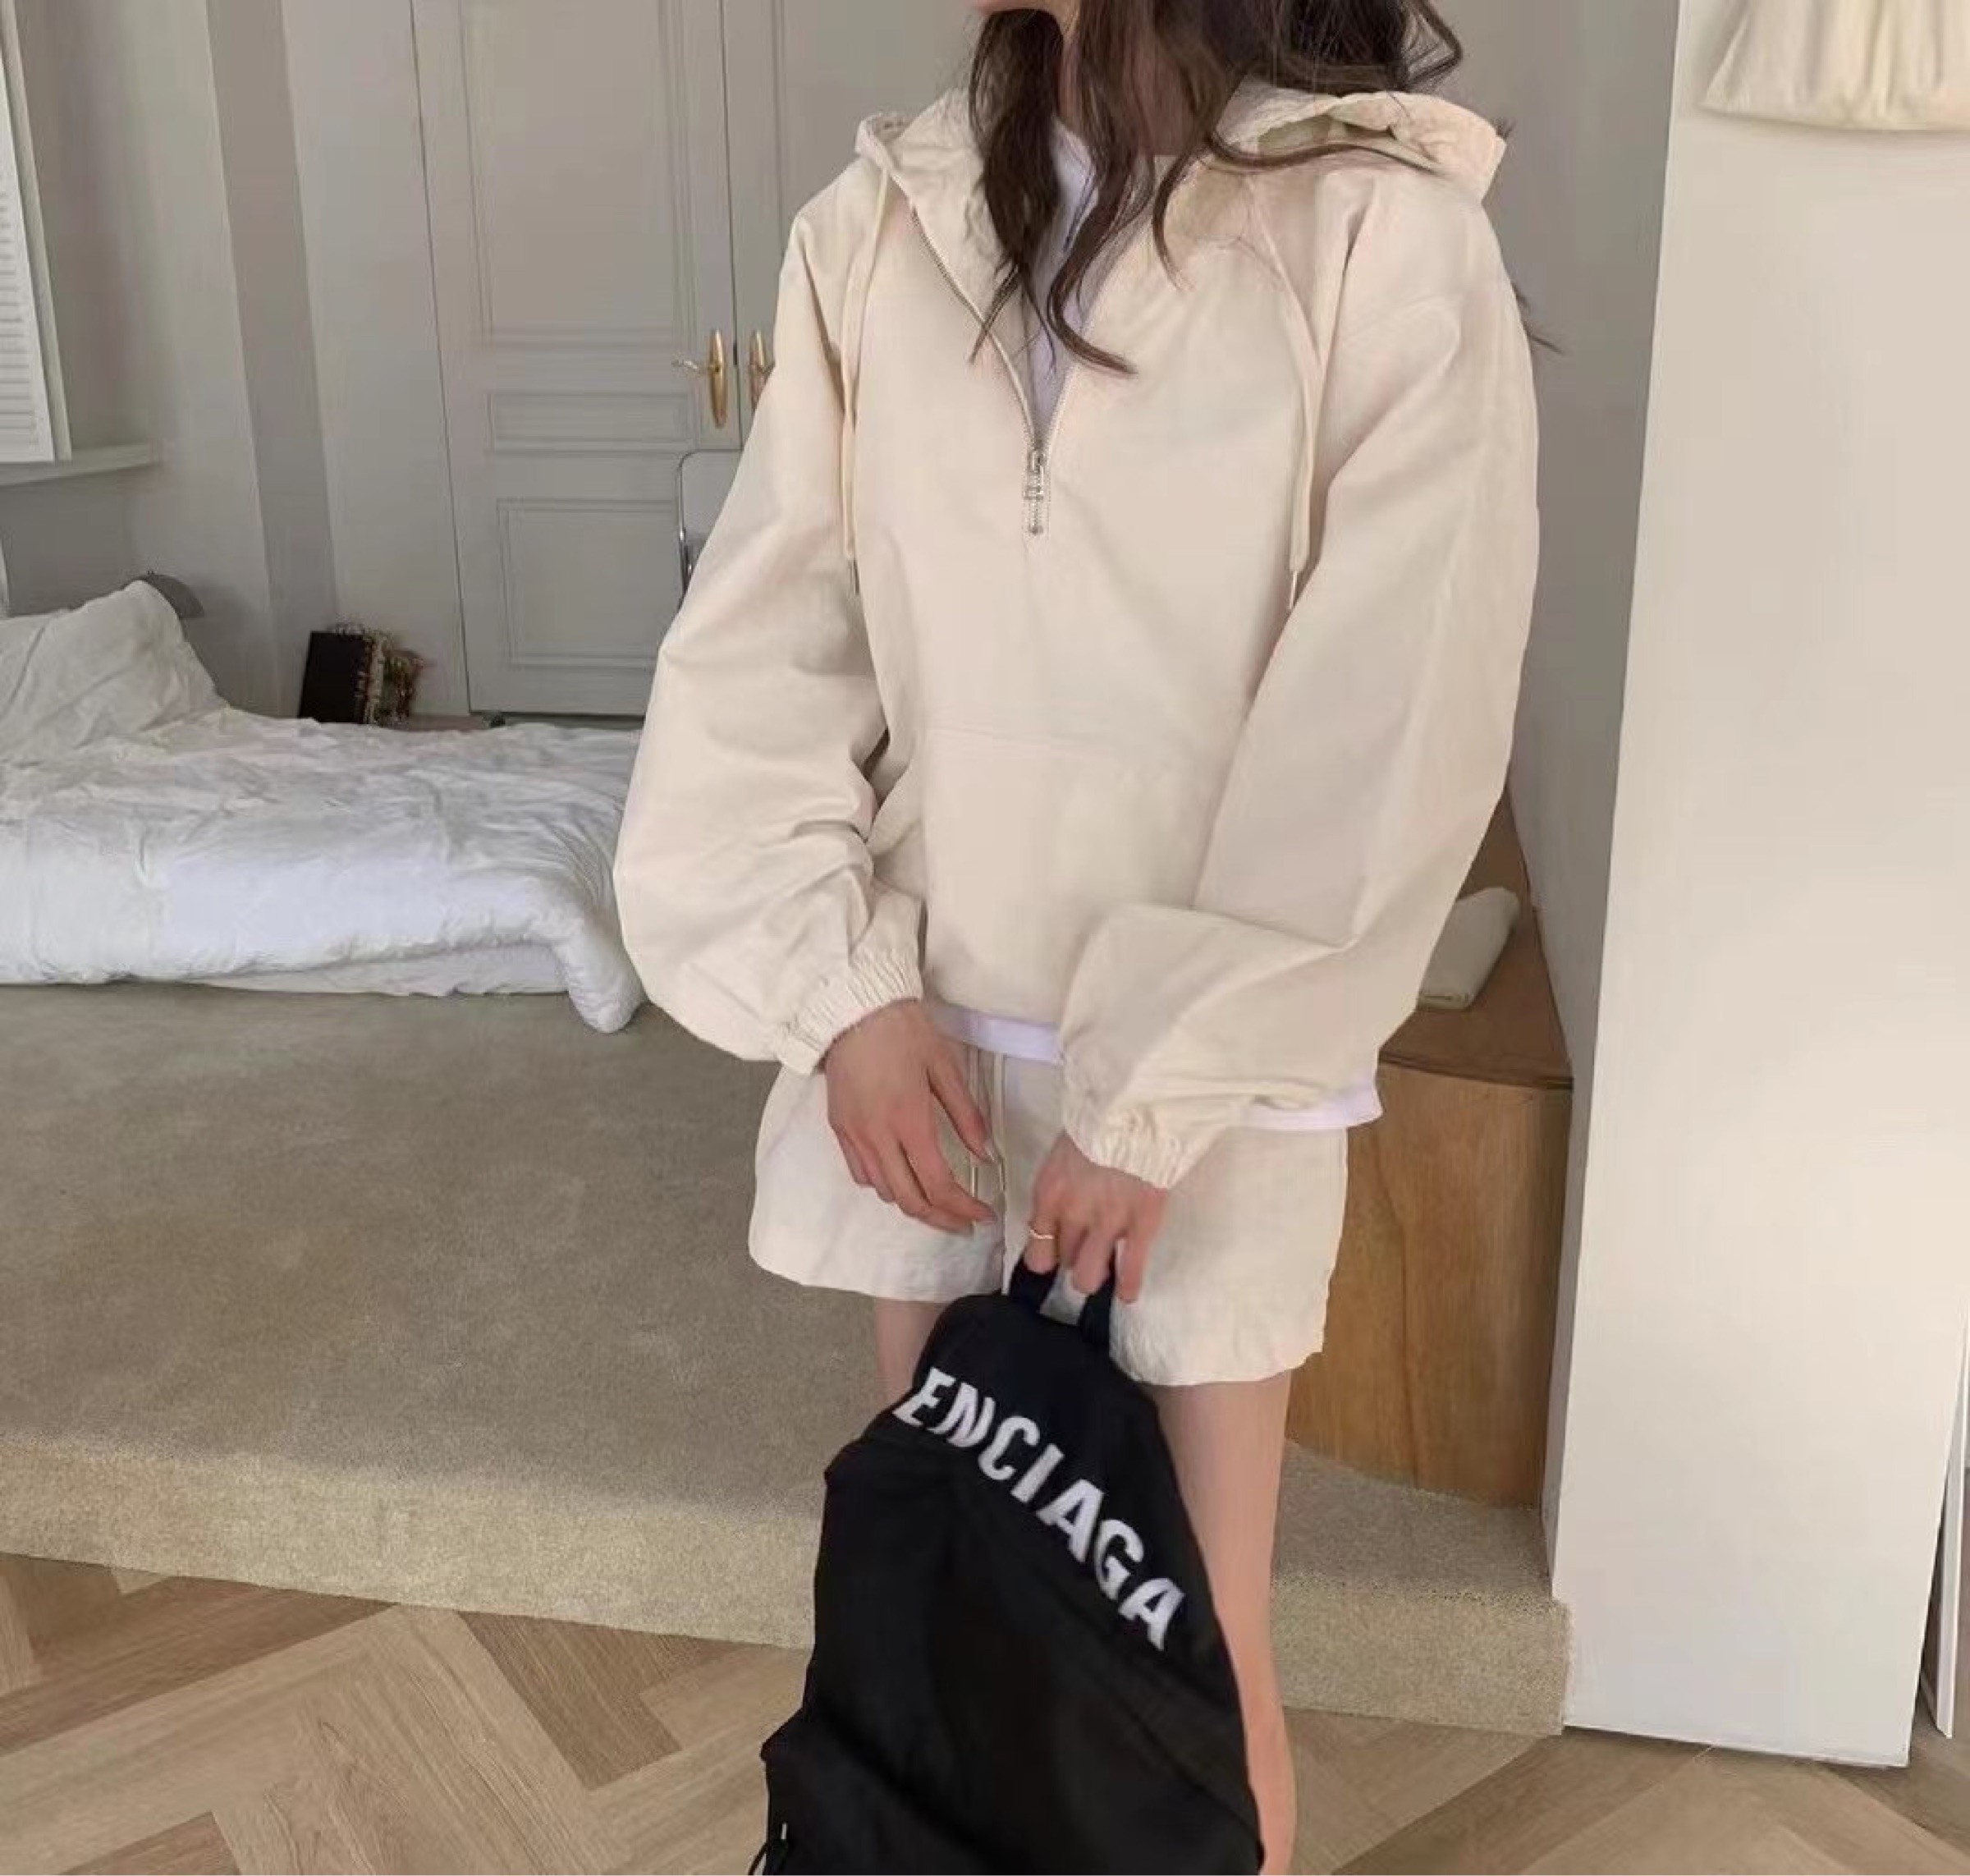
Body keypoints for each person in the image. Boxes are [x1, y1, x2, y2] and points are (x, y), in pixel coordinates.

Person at [614, 1, 1537, 1865]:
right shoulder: (879, 228)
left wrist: (1152, 1095)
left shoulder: (1382, 236)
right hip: (931, 1054)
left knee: (1190, 1653)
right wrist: (845, 995)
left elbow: (1391, 712)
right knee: (956, 1612)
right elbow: (771, 644)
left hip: (1207, 1089)